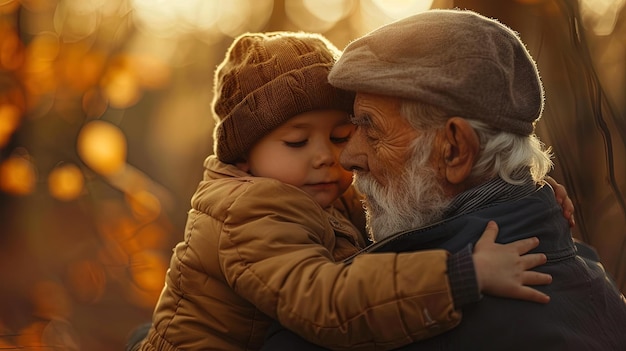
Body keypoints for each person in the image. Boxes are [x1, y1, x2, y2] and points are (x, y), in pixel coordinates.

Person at [132, 31, 578, 351]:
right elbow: (325, 301)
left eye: (343, 134)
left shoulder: (314, 192)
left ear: (457, 148)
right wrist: (459, 276)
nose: (333, 158)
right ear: (244, 157)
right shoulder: (252, 208)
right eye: (296, 142)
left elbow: (403, 194)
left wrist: (524, 184)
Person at [262, 9, 626, 351]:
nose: (348, 157)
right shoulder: (589, 277)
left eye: (370, 129)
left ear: (454, 150)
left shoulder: (425, 321)